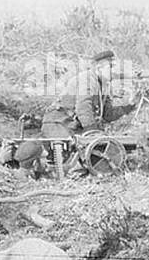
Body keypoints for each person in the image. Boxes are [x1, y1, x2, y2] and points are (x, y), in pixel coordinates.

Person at [8, 48, 138, 173]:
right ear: (99, 67)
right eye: (111, 67)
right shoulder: (87, 79)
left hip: (72, 125)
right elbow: (83, 107)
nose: (114, 71)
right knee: (68, 161)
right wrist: (91, 131)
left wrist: (129, 107)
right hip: (58, 123)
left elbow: (107, 115)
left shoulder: (103, 85)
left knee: (88, 153)